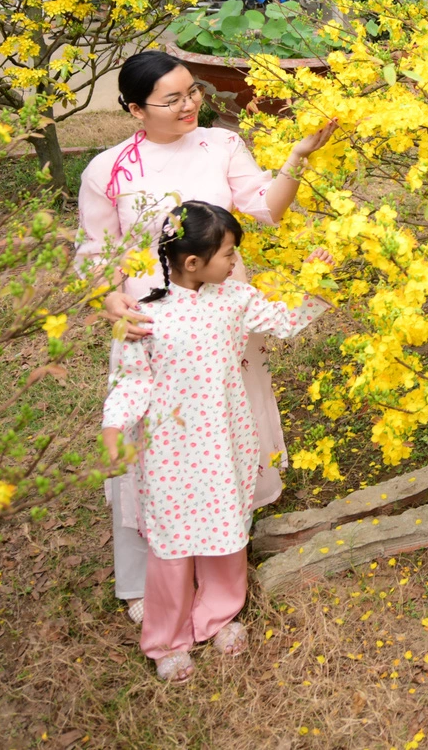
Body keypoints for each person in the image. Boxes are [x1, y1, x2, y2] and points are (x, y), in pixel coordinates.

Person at [77, 49, 336, 621]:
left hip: (222, 306)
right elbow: (95, 252)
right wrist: (108, 300)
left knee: (223, 422)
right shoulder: (108, 168)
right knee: (158, 438)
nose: (189, 104)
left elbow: (265, 209)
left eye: (191, 91)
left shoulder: (222, 146)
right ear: (133, 109)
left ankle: (222, 559)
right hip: (152, 315)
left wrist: (295, 158)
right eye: (171, 99)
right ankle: (147, 580)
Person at [101, 202, 332, 681]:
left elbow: (285, 321)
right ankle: (167, 638)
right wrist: (112, 432)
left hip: (225, 439)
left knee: (227, 530)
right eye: (228, 254)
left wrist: (313, 280)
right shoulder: (146, 318)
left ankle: (219, 614)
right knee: (171, 543)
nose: (234, 262)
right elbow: (131, 382)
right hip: (168, 449)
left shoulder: (235, 299)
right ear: (192, 262)